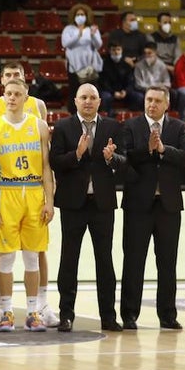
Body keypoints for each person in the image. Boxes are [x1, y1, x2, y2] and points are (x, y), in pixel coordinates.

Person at [0, 62, 56, 327]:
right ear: (3, 94)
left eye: (17, 94)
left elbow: (47, 167)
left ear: (26, 97)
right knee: (7, 257)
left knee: (33, 256)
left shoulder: (39, 126)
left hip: (34, 193)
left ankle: (33, 311)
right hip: (7, 193)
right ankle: (6, 311)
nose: (12, 98)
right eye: (8, 94)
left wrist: (50, 201)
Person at [49, 84, 125, 332]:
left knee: (105, 261)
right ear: (75, 100)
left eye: (93, 97)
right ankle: (66, 315)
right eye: (84, 97)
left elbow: (125, 162)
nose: (88, 101)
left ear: (100, 101)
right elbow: (55, 163)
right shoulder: (62, 127)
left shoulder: (113, 127)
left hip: (102, 204)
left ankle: (108, 316)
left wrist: (111, 158)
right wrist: (78, 154)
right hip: (73, 204)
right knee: (69, 260)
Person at [120, 86, 185, 330]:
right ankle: (129, 315)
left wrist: (162, 150)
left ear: (166, 104)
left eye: (157, 101)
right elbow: (125, 158)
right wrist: (148, 149)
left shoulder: (178, 127)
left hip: (168, 206)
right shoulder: (131, 126)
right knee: (133, 261)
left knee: (167, 262)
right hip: (138, 205)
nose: (152, 104)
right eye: (149, 99)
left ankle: (168, 315)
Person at [61, 3, 103, 97]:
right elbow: (65, 44)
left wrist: (92, 35)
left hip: (90, 65)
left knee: (90, 90)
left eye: (82, 14)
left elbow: (98, 45)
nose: (80, 16)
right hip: (73, 65)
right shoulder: (68, 29)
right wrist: (78, 35)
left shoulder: (92, 29)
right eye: (78, 14)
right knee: (75, 91)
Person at [99, 42, 139, 114]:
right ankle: (108, 118)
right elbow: (103, 83)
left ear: (121, 50)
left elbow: (130, 81)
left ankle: (133, 118)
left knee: (138, 97)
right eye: (113, 50)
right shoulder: (104, 64)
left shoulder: (126, 64)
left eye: (118, 49)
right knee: (106, 97)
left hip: (124, 92)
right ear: (110, 51)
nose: (116, 52)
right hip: (110, 91)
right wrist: (114, 92)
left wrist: (125, 91)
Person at [151, 12, 180, 79]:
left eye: (169, 23)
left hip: (171, 66)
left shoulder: (175, 39)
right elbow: (152, 56)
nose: (168, 25)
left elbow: (177, 56)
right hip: (157, 66)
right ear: (159, 23)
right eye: (165, 22)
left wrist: (175, 67)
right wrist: (166, 67)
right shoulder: (151, 37)